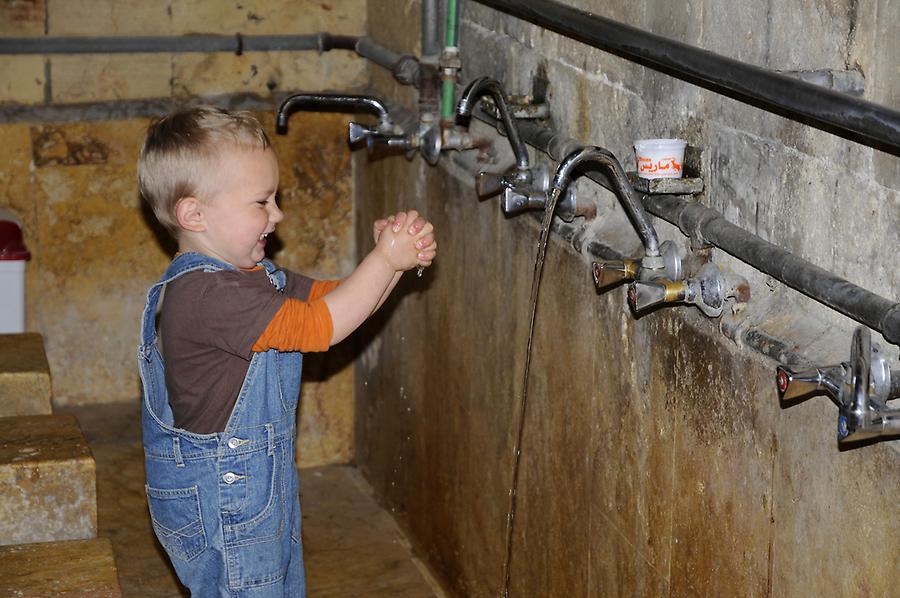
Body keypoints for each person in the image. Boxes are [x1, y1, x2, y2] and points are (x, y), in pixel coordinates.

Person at [135, 105, 436, 597]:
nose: (278, 214)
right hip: (224, 498)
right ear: (194, 213)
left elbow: (331, 300)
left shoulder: (249, 278)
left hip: (255, 487)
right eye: (262, 201)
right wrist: (385, 261)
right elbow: (322, 328)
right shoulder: (211, 297)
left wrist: (389, 264)